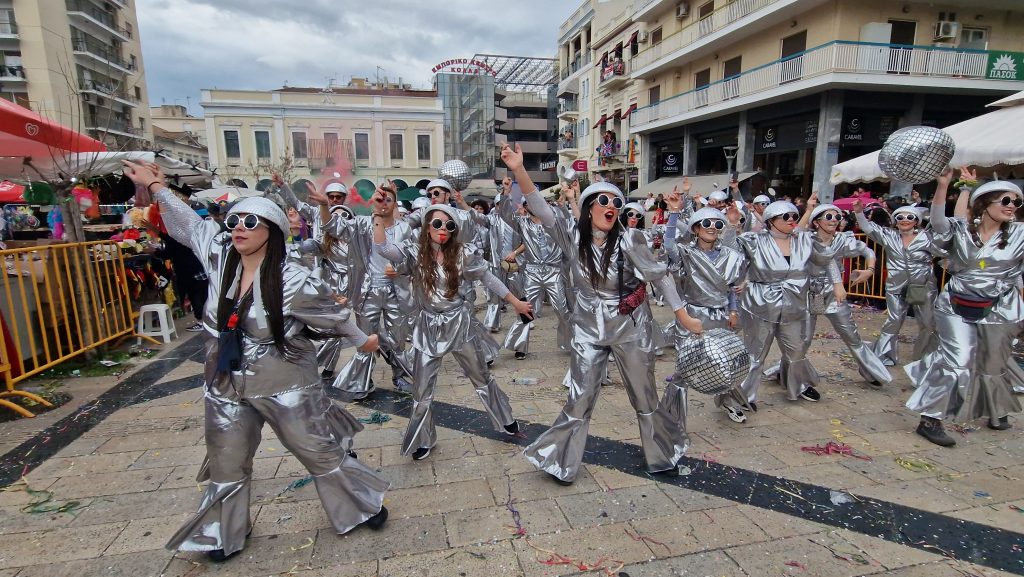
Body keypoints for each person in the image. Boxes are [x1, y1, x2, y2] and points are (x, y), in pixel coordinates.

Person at [120, 159, 389, 563]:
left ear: (273, 233)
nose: (239, 228)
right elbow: (192, 226)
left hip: (286, 381)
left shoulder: (294, 278)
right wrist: (157, 186)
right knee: (227, 459)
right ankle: (222, 532)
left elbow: (334, 317)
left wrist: (364, 340)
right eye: (235, 221)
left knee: (315, 450)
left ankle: (364, 503)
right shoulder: (219, 258)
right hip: (226, 382)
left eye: (250, 221)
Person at [503, 143, 701, 485]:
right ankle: (561, 460)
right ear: (589, 208)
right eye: (604, 201)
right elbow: (542, 208)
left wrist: (682, 316)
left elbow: (660, 275)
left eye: (617, 203)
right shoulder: (570, 236)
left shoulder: (631, 239)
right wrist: (520, 171)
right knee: (579, 397)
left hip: (630, 325)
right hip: (587, 327)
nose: (612, 207)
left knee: (644, 394)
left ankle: (663, 452)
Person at [375, 201, 532, 460]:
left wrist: (515, 302)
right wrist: (379, 216)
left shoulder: (463, 253)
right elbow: (384, 248)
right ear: (427, 227)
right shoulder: (415, 253)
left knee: (481, 377)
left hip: (459, 324)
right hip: (428, 327)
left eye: (449, 225)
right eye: (437, 223)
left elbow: (487, 278)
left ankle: (505, 419)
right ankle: (424, 439)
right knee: (422, 389)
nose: (443, 229)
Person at [905, 172, 1023, 446]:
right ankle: (931, 418)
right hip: (956, 305)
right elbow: (937, 221)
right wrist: (943, 186)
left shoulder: (1020, 233)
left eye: (1016, 202)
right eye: (1006, 200)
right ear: (985, 204)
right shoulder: (961, 229)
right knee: (957, 362)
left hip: (1001, 307)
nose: (1011, 206)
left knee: (993, 365)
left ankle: (995, 411)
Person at [734, 200, 841, 409]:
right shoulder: (754, 240)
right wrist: (730, 226)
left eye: (794, 216)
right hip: (761, 305)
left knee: (796, 350)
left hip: (794, 305)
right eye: (786, 217)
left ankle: (797, 385)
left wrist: (837, 284)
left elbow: (826, 259)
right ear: (771, 221)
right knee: (756, 353)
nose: (792, 220)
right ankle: (744, 396)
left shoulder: (804, 240)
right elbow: (730, 253)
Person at [325, 183, 416, 399]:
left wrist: (400, 270)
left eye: (388, 200)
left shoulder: (403, 229)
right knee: (365, 339)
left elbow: (411, 259)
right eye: (380, 199)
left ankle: (401, 377)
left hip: (396, 293)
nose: (384, 203)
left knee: (398, 339)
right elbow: (332, 227)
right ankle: (361, 382)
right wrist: (322, 204)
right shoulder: (362, 224)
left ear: (394, 204)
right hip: (368, 292)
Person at [662, 196, 748, 423]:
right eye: (706, 224)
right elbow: (669, 245)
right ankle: (671, 414)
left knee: (725, 361)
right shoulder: (686, 253)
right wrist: (673, 213)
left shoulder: (729, 255)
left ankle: (729, 402)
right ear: (696, 228)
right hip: (693, 316)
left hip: (721, 316)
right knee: (684, 366)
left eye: (717, 224)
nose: (712, 228)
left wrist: (733, 310)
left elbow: (730, 286)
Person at [854, 200, 937, 366]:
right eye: (900, 217)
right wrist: (858, 212)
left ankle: (925, 357)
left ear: (916, 221)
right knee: (893, 320)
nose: (904, 219)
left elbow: (946, 247)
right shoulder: (889, 235)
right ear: (895, 220)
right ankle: (885, 356)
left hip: (923, 286)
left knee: (928, 322)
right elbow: (868, 228)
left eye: (909, 217)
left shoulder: (928, 237)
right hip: (896, 286)